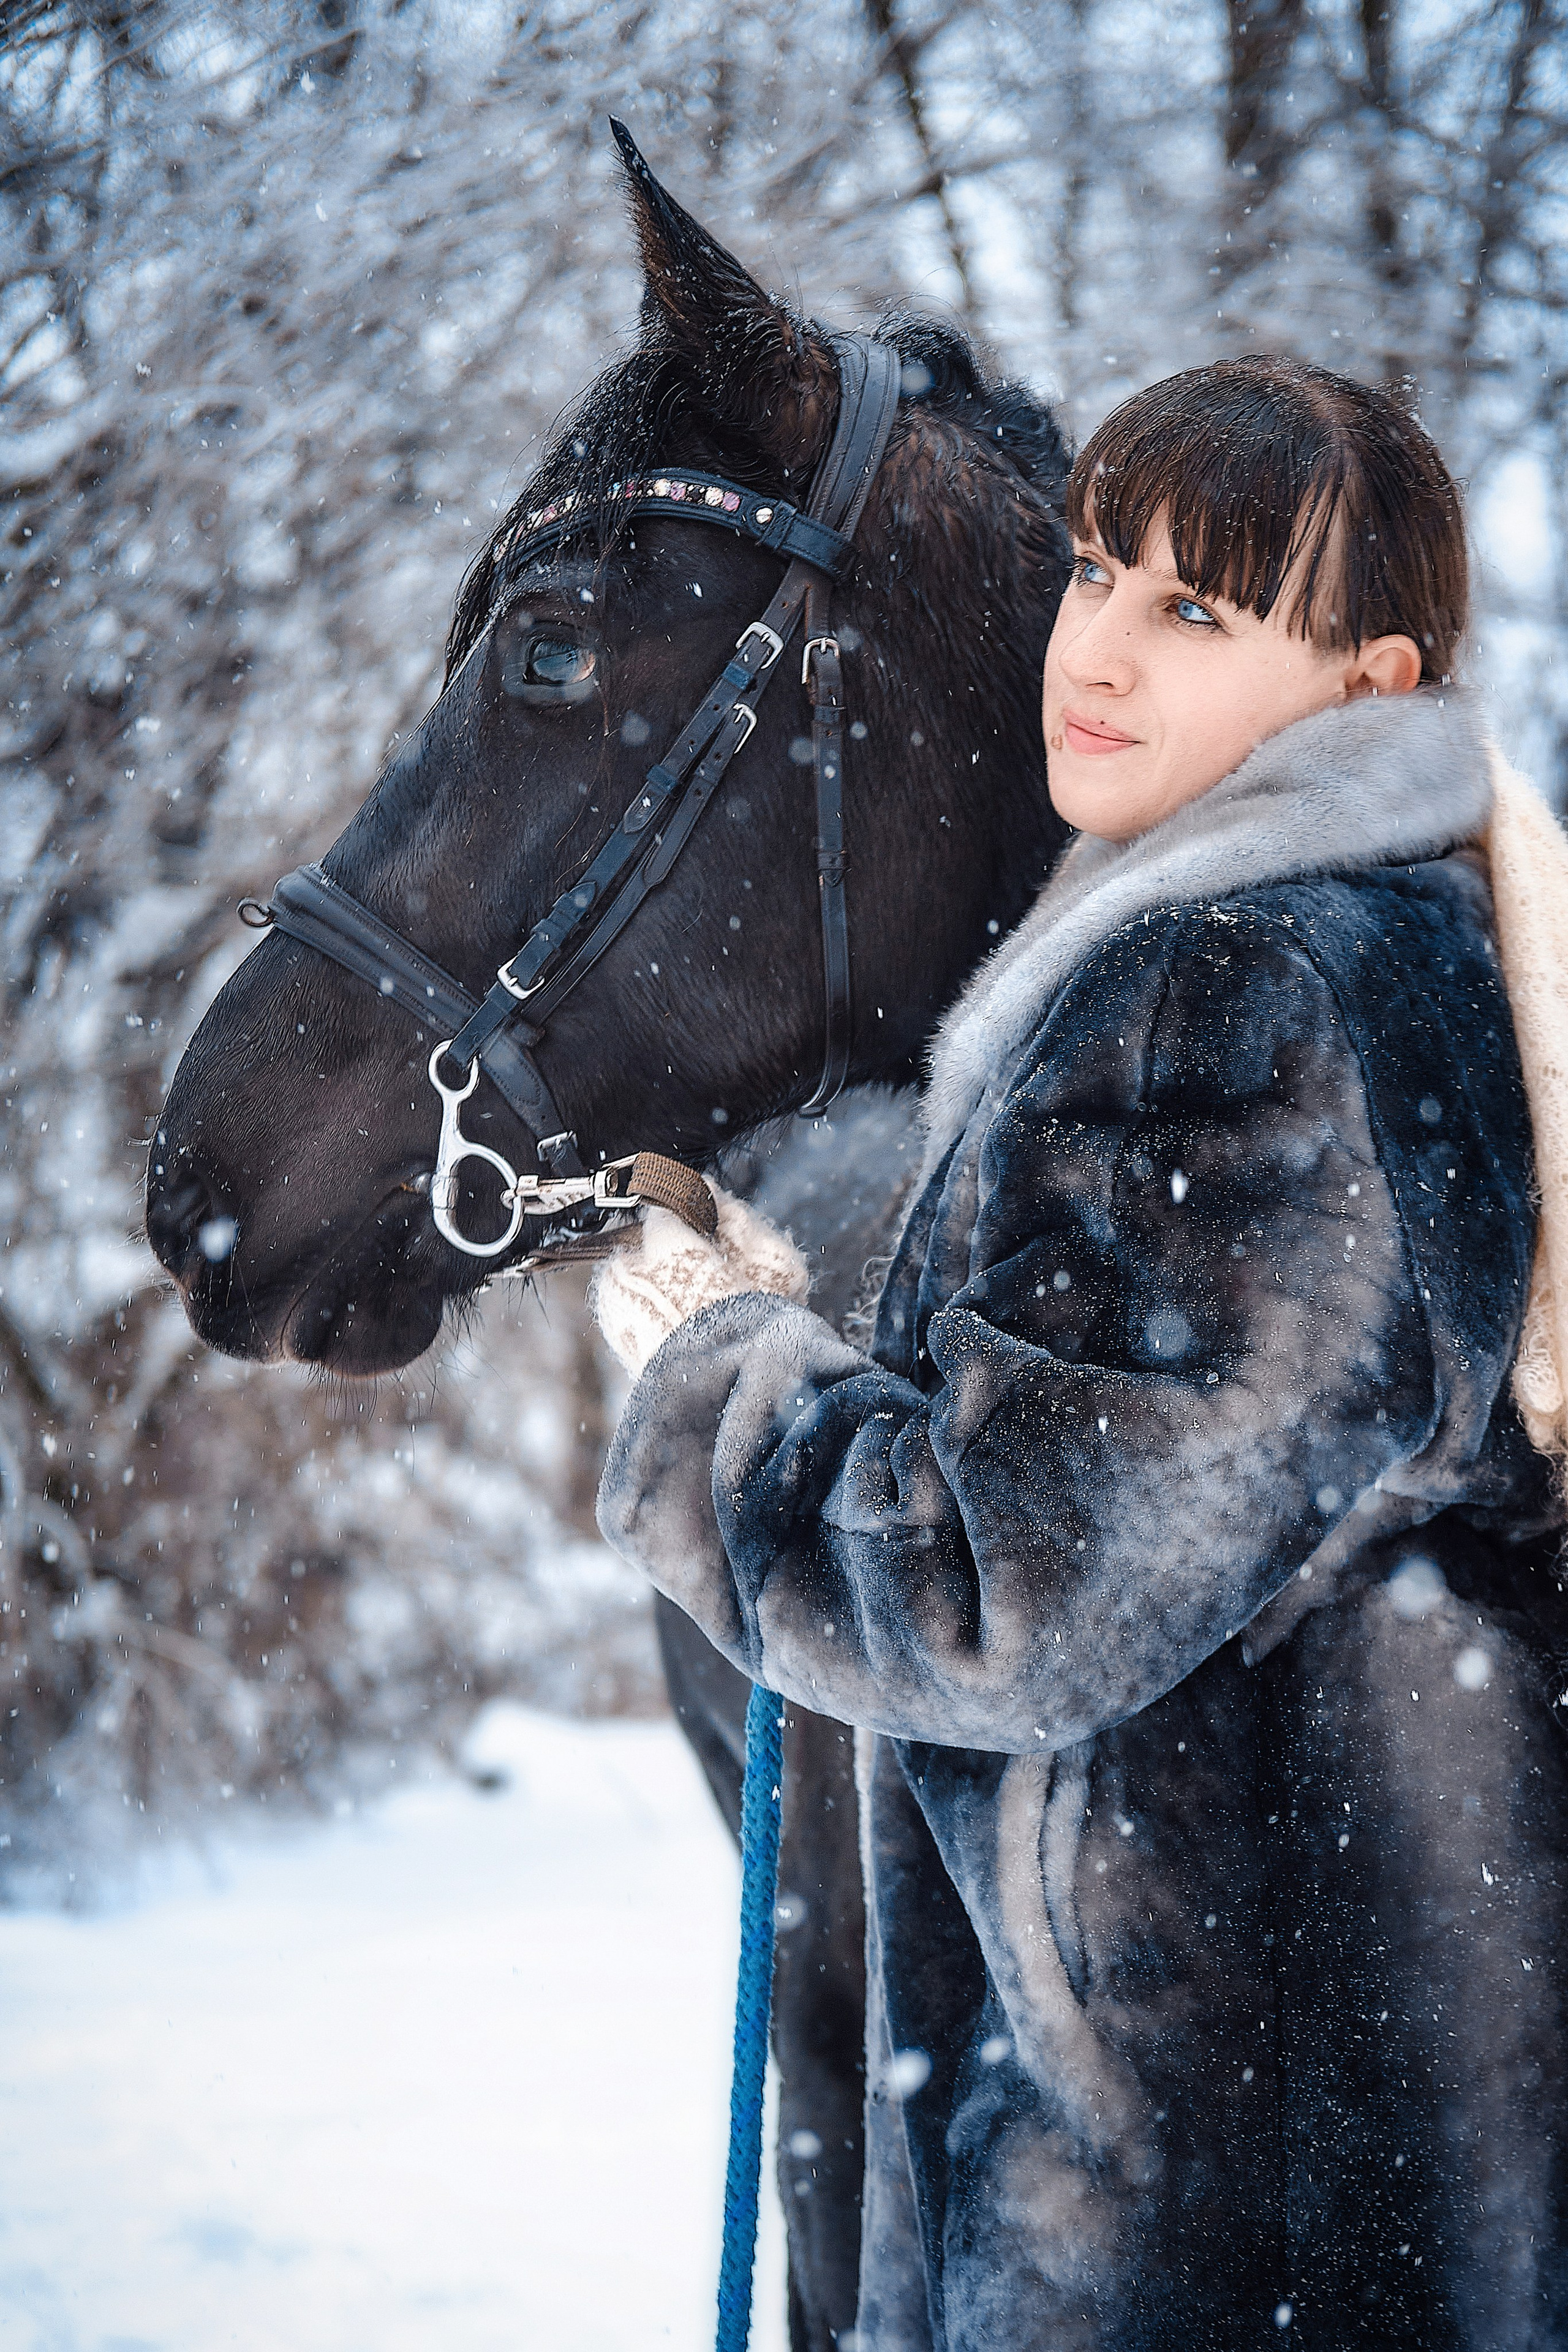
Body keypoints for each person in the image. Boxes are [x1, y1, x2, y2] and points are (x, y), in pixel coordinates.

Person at [591, 355, 1568, 2349]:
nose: (1096, 649)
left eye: (1196, 612)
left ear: (1373, 685)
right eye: (1099, 571)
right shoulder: (1391, 950)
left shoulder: (1236, 988)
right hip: (1326, 2162)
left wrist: (722, 1371)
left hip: (1189, 2208)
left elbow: (994, 1600)